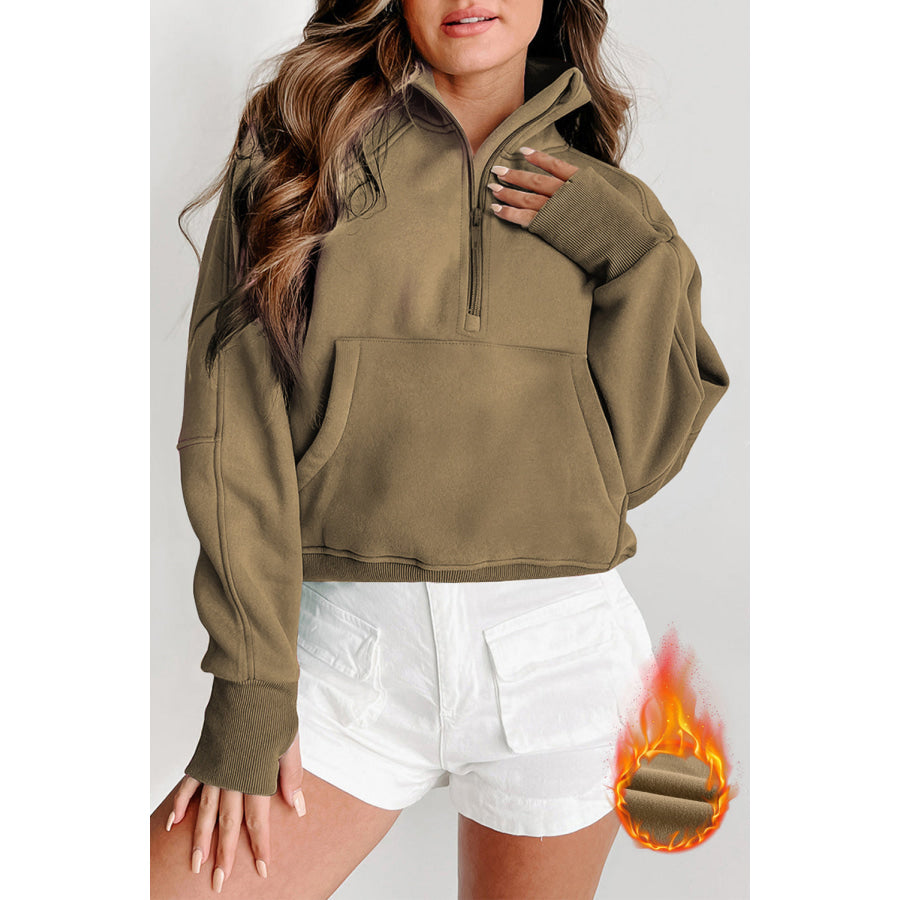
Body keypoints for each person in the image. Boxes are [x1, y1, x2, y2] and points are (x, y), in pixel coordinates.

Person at [150, 0, 730, 896]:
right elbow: (234, 433)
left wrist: (637, 255)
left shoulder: (605, 203)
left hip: (561, 656)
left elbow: (638, 462)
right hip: (346, 651)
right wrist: (251, 685)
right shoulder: (298, 161)